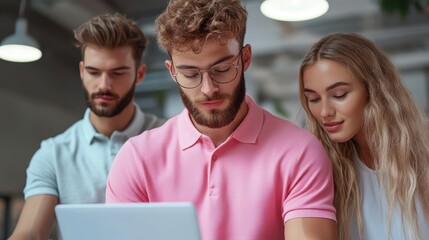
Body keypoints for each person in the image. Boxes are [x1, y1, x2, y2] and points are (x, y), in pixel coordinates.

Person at [105, 0, 336, 239]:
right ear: (172, 70)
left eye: (222, 69)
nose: (208, 88)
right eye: (190, 74)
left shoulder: (298, 151)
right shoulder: (136, 159)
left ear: (245, 58)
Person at [9, 13, 164, 240]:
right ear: (82, 71)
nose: (104, 85)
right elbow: (30, 234)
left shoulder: (172, 140)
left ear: (139, 74)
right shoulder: (54, 154)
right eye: (94, 72)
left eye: (117, 73)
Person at [299, 32, 429, 240]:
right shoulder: (322, 172)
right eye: (313, 98)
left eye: (339, 95)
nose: (324, 111)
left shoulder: (423, 160)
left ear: (374, 90)